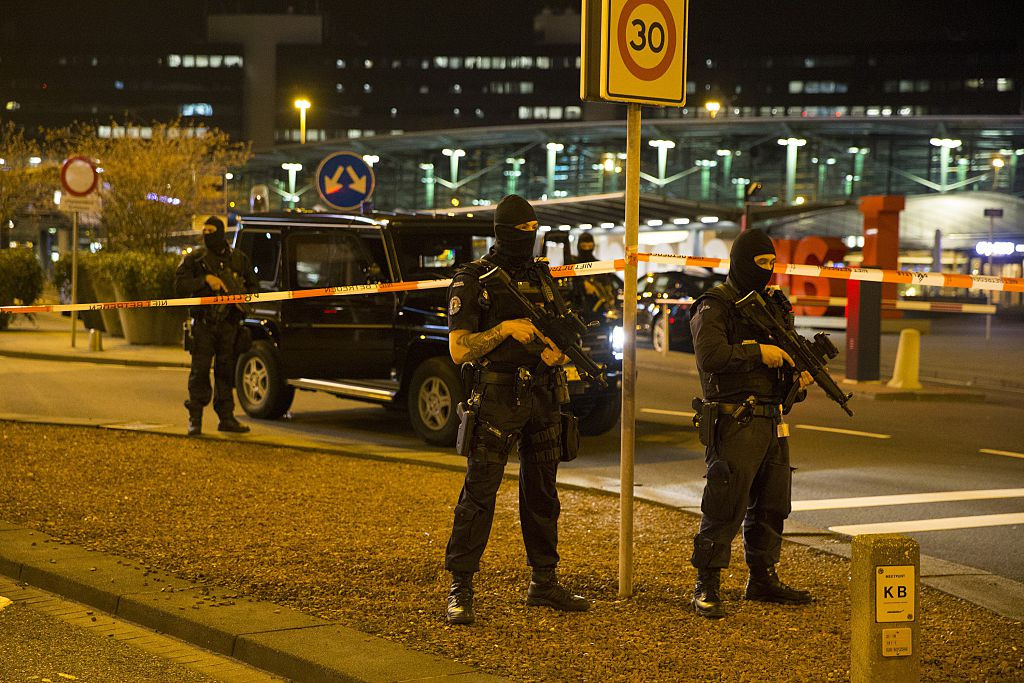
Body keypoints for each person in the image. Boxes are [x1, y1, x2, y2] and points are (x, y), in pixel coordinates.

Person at [443, 194, 590, 625]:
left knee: (542, 494)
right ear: (503, 232)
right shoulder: (473, 280)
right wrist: (505, 329)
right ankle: (461, 587)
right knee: (479, 494)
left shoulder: (543, 278)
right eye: (522, 231)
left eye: (533, 229)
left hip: (543, 397)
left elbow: (560, 334)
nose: (529, 237)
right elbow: (457, 350)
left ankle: (544, 582)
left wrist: (557, 354)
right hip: (497, 397)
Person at [688, 228, 815, 619]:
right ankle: (706, 585)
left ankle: (762, 578)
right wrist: (757, 352)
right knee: (725, 503)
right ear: (741, 262)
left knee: (773, 503)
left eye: (771, 263)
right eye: (760, 263)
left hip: (771, 419)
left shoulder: (772, 306)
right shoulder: (715, 304)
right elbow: (711, 356)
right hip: (735, 419)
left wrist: (798, 377)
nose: (767, 270)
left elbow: (786, 357)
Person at [174, 216, 258, 437]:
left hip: (229, 324)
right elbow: (180, 285)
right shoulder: (196, 259)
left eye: (212, 230)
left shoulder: (238, 260)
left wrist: (241, 298)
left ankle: (227, 418)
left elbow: (254, 287)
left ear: (221, 233)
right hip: (203, 324)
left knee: (225, 373)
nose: (207, 234)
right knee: (199, 372)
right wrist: (205, 281)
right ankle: (195, 420)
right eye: (205, 230)